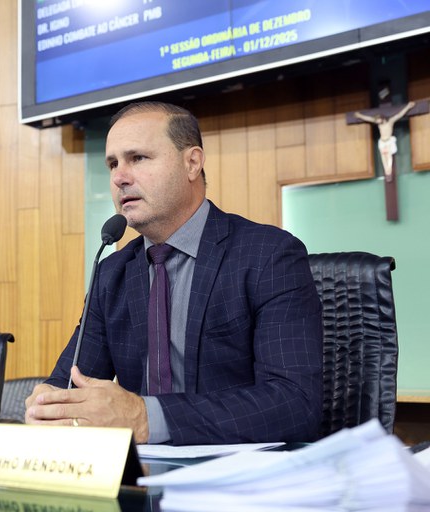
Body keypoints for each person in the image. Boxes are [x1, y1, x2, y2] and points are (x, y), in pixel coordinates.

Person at [25, 102, 323, 445]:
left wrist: (145, 417)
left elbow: (294, 403)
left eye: (138, 158)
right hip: (141, 471)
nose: (119, 177)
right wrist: (49, 405)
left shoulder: (268, 255)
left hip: (240, 471)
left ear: (192, 163)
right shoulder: (111, 274)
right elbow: (70, 383)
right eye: (112, 164)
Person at [354, 101, 416, 180]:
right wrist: (360, 115)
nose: (377, 122)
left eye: (378, 120)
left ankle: (388, 172)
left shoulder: (390, 122)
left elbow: (399, 115)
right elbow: (369, 119)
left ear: (382, 118)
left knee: (389, 157)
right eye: (376, 121)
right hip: (382, 142)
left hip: (388, 141)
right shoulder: (379, 124)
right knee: (383, 158)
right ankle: (387, 171)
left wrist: (408, 107)